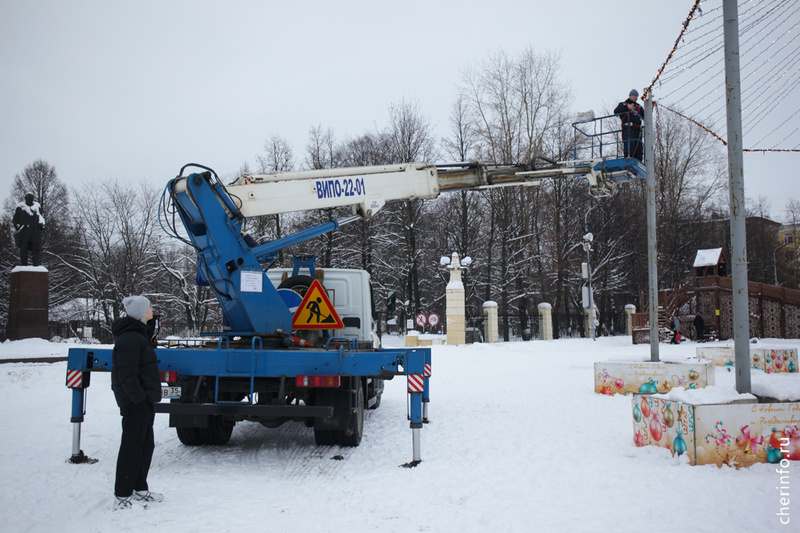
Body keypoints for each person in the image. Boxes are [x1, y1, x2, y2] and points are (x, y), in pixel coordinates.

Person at [111, 295, 164, 510]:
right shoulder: (130, 339)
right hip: (135, 402)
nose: (152, 310)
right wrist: (139, 399)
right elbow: (126, 375)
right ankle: (122, 494)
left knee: (145, 445)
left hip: (143, 401)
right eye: (149, 307)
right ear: (141, 312)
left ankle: (139, 487)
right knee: (132, 447)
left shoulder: (138, 335)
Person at [12, 193, 46, 266]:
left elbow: (41, 219)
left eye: (31, 198)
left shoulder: (37, 207)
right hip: (24, 233)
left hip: (35, 233)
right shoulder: (20, 207)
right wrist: (19, 228)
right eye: (28, 198)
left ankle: (36, 266)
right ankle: (23, 266)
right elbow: (15, 221)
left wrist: (42, 225)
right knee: (23, 250)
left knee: (35, 250)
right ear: (25, 199)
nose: (29, 199)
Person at [614, 89, 645, 161]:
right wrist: (627, 107)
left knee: (639, 148)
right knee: (630, 145)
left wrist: (650, 107)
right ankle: (628, 157)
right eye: (634, 96)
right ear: (630, 96)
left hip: (637, 130)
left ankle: (638, 160)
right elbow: (616, 111)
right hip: (628, 128)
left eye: (637, 96)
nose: (636, 98)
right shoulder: (623, 104)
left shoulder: (639, 107)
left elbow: (645, 116)